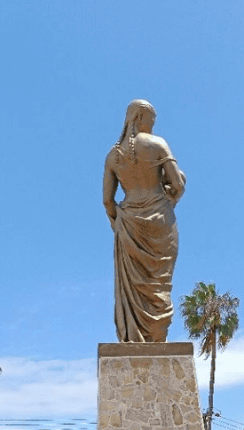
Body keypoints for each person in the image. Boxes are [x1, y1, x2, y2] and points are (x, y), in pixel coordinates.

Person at [103, 100, 186, 344]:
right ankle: (158, 338)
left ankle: (134, 339)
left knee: (135, 288)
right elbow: (178, 186)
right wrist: (170, 199)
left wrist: (117, 223)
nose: (152, 124)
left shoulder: (113, 156)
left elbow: (108, 201)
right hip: (160, 220)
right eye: (151, 119)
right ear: (140, 117)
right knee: (159, 283)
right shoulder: (158, 144)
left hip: (128, 224)